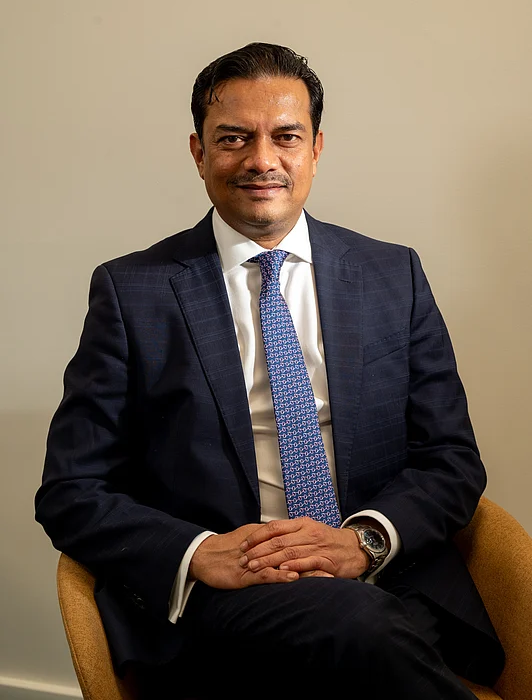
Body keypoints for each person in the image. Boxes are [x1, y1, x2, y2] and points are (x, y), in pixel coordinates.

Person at [36, 43, 504, 698]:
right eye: (234, 138)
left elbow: (451, 458)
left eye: (286, 136)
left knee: (360, 632)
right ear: (199, 152)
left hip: (385, 578)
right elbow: (71, 489)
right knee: (358, 631)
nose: (262, 160)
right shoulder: (132, 291)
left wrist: (363, 542)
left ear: (316, 148)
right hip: (229, 596)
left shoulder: (392, 274)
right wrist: (201, 552)